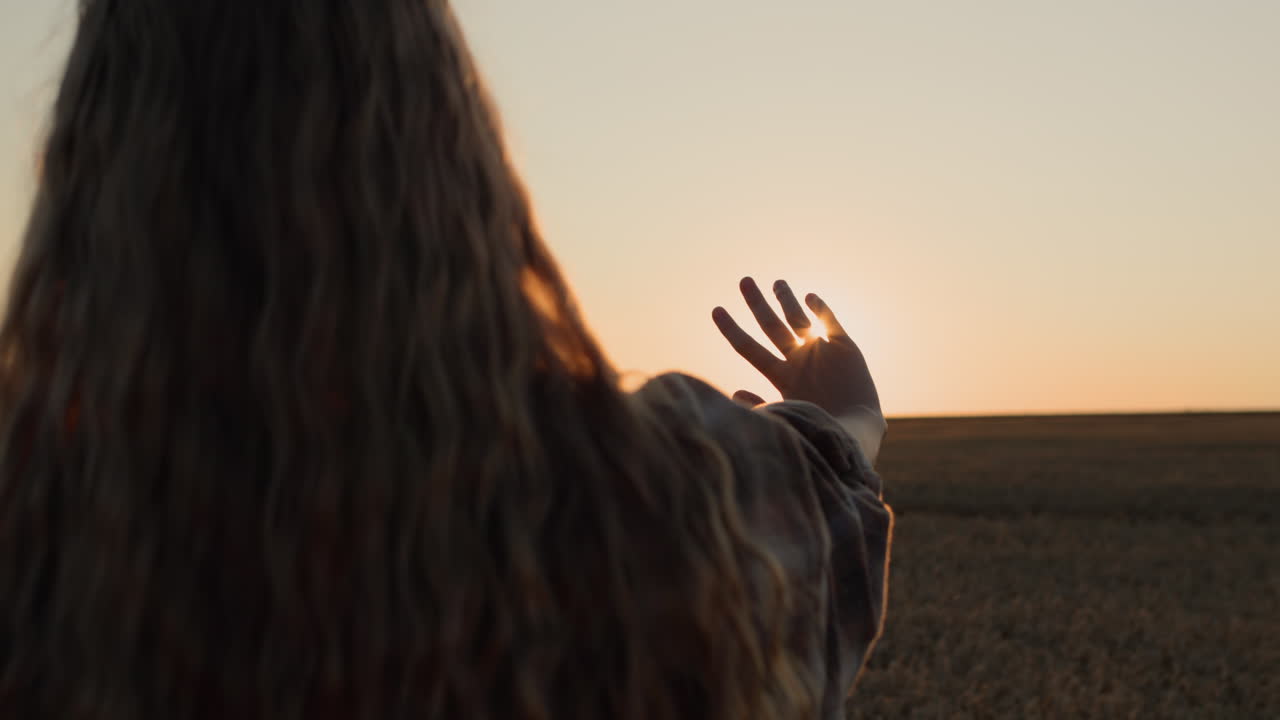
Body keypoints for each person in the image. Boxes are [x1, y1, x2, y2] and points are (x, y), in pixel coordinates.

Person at [0, 1, 893, 719]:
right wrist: (849, 417)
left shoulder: (37, 538)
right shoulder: (637, 507)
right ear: (436, 140)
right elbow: (807, 534)